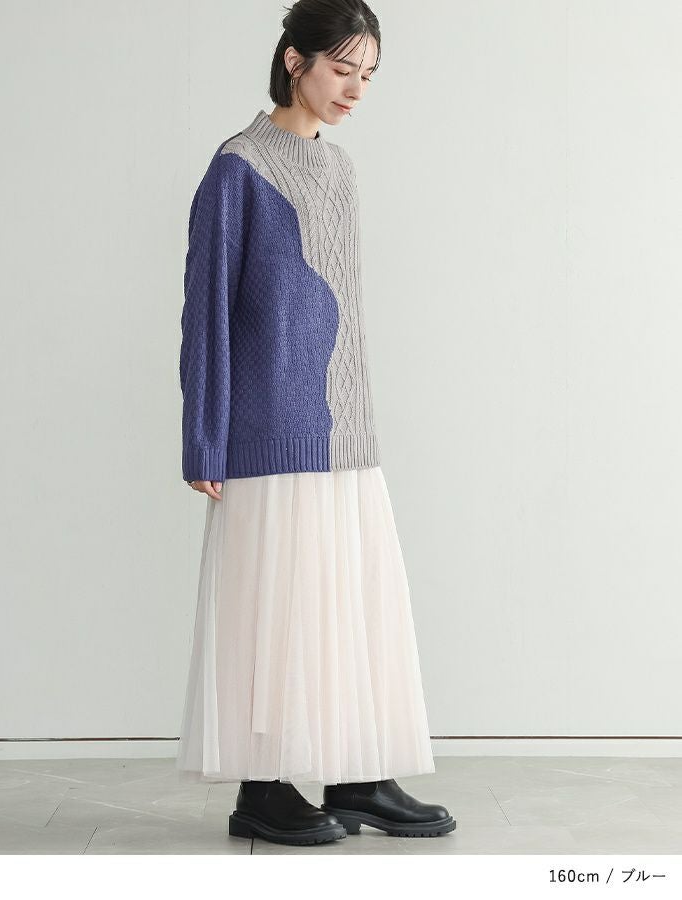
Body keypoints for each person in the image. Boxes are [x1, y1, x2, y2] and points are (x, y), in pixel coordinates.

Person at [176, 0, 456, 847]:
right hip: (268, 427)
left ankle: (357, 775)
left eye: (368, 74)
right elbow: (206, 312)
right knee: (279, 609)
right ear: (294, 60)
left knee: (350, 604)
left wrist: (358, 417)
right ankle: (261, 790)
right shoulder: (238, 167)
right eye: (342, 69)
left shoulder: (338, 169)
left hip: (345, 428)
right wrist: (204, 435)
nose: (356, 89)